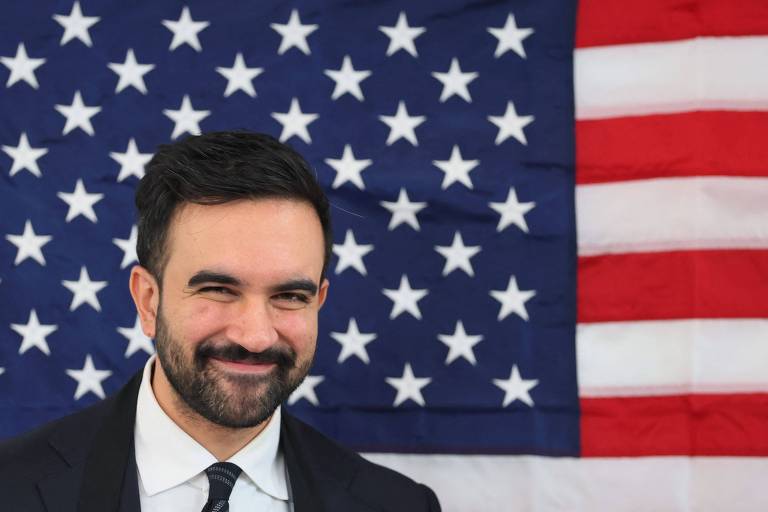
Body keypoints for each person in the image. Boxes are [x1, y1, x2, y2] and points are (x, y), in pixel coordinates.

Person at [0, 131, 441, 511]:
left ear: (318, 301)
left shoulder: (399, 504)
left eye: (289, 296)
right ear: (148, 301)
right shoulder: (12, 488)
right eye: (218, 290)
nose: (255, 336)